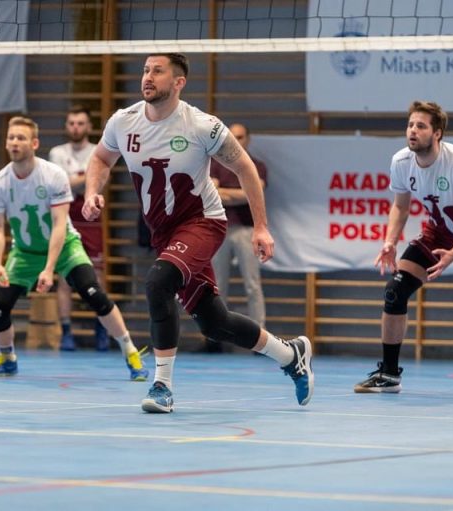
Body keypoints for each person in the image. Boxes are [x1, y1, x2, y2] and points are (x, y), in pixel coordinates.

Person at [82, 53, 314, 413]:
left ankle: (162, 386)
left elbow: (246, 169)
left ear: (179, 83)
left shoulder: (202, 126)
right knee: (214, 323)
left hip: (203, 222)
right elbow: (100, 159)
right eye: (145, 70)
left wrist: (261, 227)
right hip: (163, 233)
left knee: (158, 282)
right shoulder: (123, 122)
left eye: (158, 71)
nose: (148, 77)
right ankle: (290, 354)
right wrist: (91, 192)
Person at [354, 100, 453, 399]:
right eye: (410, 125)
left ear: (437, 133)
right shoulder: (401, 161)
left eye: (421, 126)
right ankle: (389, 373)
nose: (412, 131)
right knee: (395, 291)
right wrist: (390, 241)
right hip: (439, 229)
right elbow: (400, 207)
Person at [0, 116, 148, 381]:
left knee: (94, 294)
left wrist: (49, 269)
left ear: (34, 143)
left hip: (65, 246)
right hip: (25, 251)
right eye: (11, 137)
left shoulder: (52, 175)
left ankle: (130, 351)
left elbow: (60, 225)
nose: (14, 142)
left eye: (21, 138)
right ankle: (7, 357)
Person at [48, 106, 110, 352]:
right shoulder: (57, 153)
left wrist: (79, 182)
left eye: (80, 123)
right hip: (66, 218)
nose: (76, 128)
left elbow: (100, 183)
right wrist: (87, 178)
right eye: (72, 123)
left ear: (89, 126)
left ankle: (102, 328)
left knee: (97, 276)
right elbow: (60, 186)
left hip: (91, 220)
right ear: (66, 126)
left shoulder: (98, 151)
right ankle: (66, 332)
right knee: (65, 278)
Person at [206, 122, 268, 353]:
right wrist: (241, 194)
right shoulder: (215, 165)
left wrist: (226, 193)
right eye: (233, 137)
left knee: (252, 285)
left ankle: (261, 341)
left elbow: (253, 193)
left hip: (246, 230)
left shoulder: (257, 166)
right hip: (219, 230)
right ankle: (214, 339)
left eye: (240, 137)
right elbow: (212, 193)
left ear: (248, 140)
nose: (237, 141)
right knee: (217, 286)